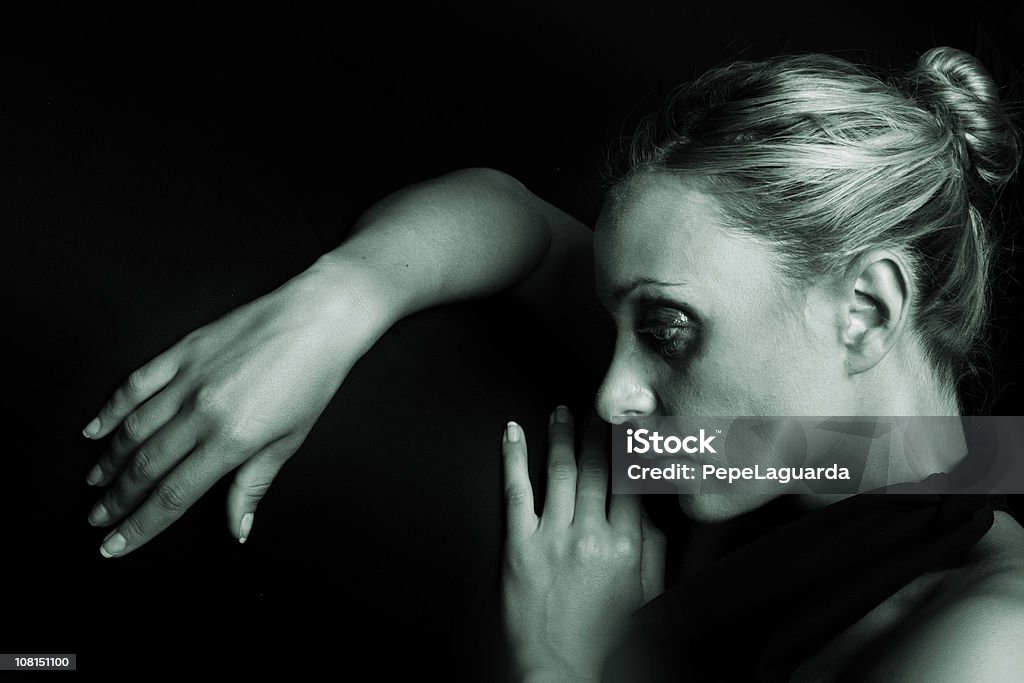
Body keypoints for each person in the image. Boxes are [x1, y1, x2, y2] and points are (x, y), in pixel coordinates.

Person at [79, 46, 1023, 680]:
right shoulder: (785, 451)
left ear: (866, 310)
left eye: (666, 328)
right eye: (622, 323)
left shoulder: (989, 638)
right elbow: (512, 217)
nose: (616, 395)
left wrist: (567, 666)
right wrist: (331, 304)